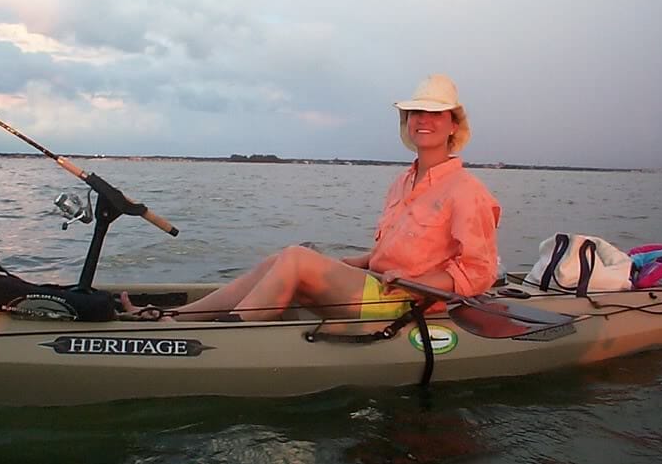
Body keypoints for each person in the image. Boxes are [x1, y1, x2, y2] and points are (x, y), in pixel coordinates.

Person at [119, 74, 501, 322]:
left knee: (297, 261)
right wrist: (353, 262)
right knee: (284, 256)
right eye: (417, 112)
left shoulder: (468, 191)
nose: (424, 120)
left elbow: (478, 272)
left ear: (453, 124)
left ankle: (220, 340)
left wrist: (415, 279)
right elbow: (397, 252)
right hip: (378, 285)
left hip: (408, 304)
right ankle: (175, 318)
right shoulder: (403, 182)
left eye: (436, 114)